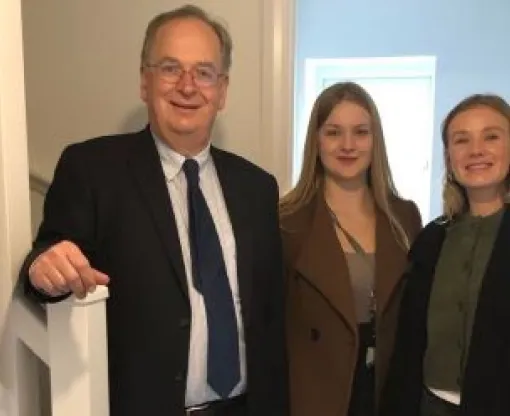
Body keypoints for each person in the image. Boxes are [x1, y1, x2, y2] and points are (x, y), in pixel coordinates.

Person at [20, 5, 288, 416]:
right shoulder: (92, 170)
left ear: (223, 89)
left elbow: (269, 320)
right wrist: (44, 269)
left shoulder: (257, 188)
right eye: (169, 68)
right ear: (145, 81)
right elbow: (46, 265)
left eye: (204, 72)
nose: (187, 86)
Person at [279, 81, 422, 416]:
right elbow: (271, 330)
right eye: (333, 132)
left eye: (360, 132)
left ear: (376, 141)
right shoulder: (286, 222)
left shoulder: (405, 216)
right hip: (316, 394)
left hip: (387, 392)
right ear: (316, 140)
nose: (347, 145)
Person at [381, 94, 510, 416]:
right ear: (449, 156)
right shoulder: (432, 238)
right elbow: (409, 341)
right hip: (429, 405)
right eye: (461, 140)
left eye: (491, 136)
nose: (476, 150)